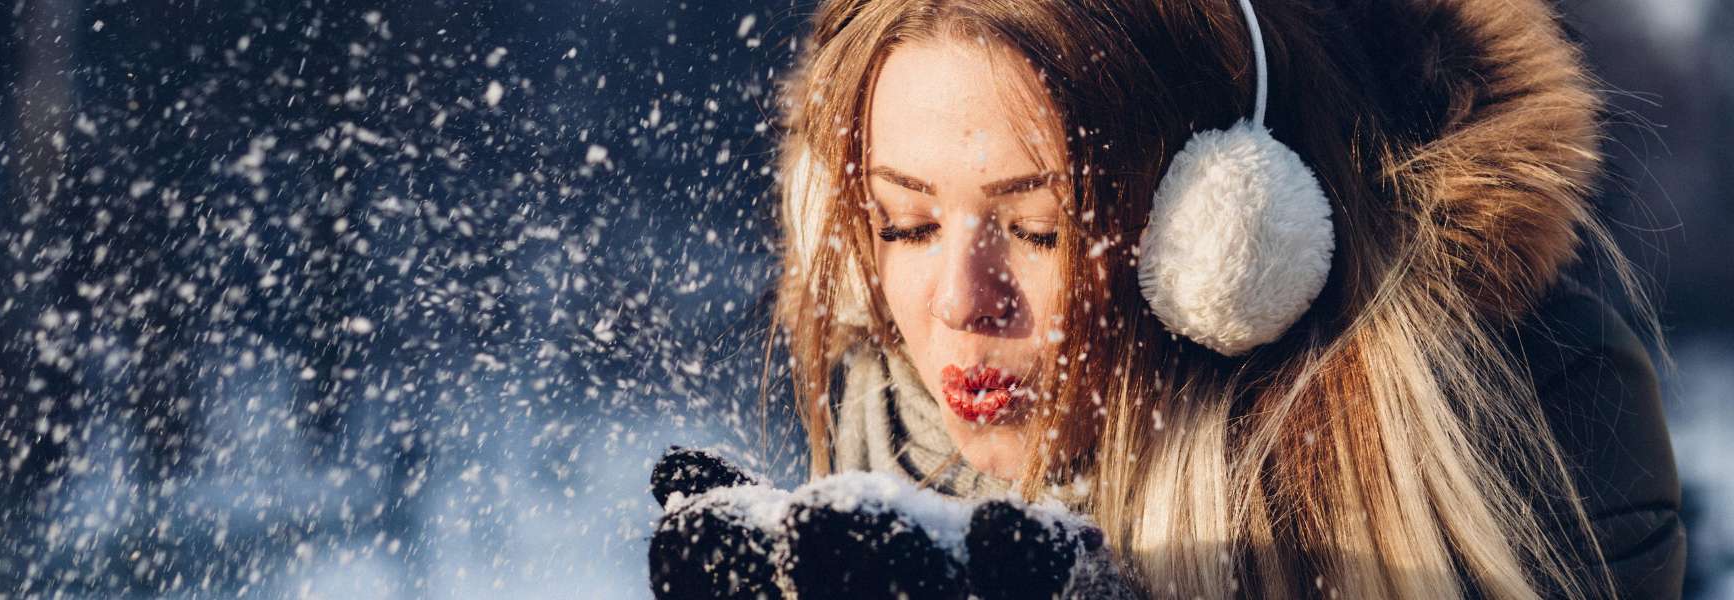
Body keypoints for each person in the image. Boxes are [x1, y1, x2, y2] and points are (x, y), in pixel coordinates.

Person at [650, 0, 1685, 597]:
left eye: (1040, 227)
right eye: (906, 225)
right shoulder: (887, 413)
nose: (962, 303)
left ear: (1229, 235)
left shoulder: (1526, 422)